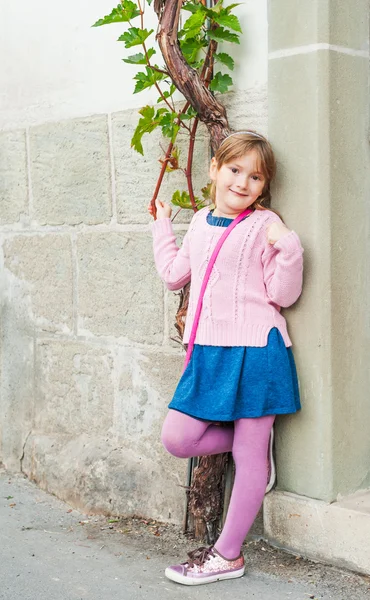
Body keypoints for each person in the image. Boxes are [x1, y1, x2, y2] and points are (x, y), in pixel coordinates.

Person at [148, 130, 304, 586]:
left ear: (263, 185)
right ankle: (248, 448)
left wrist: (288, 247)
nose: (243, 182)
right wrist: (161, 225)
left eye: (255, 176)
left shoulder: (264, 224)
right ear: (215, 169)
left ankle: (227, 556)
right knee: (178, 439)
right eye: (235, 170)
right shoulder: (198, 222)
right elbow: (175, 276)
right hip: (209, 352)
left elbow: (282, 293)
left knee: (250, 452)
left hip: (258, 349)